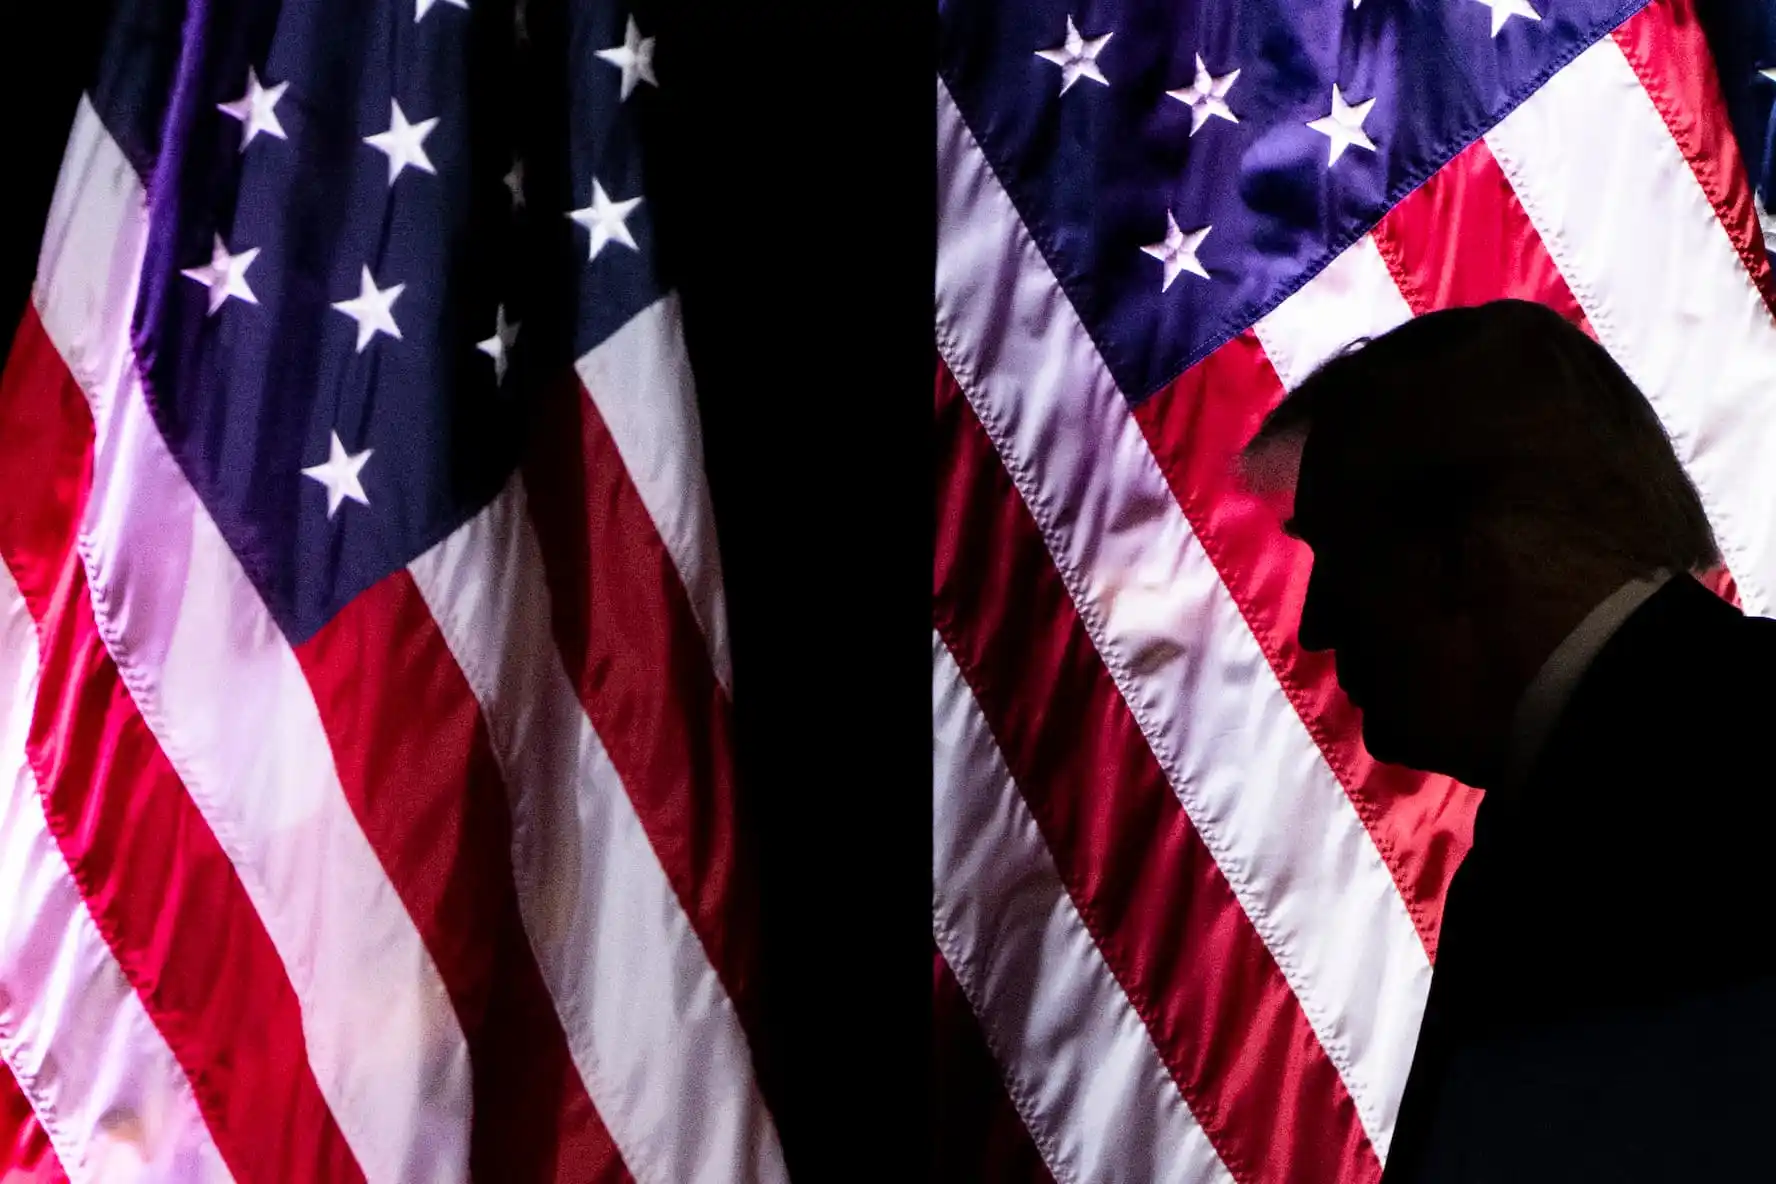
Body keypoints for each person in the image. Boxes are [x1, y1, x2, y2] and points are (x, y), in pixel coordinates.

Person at [1238, 298, 1776, 1182]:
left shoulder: (1702, 791)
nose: (1315, 623)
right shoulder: (1611, 781)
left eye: (1340, 557)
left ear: (1460, 555)